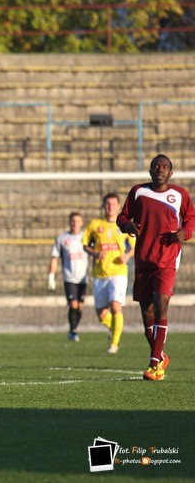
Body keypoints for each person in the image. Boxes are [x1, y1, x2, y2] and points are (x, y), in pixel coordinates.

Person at [117, 154, 195, 381]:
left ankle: (154, 364)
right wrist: (127, 225)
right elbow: (121, 218)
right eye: (155, 166)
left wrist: (185, 232)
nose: (160, 169)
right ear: (150, 171)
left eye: (164, 167)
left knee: (161, 306)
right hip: (143, 260)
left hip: (167, 260)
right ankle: (160, 356)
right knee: (147, 314)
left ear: (171, 173)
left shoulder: (180, 195)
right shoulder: (138, 192)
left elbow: (191, 219)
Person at [83, 193, 135, 355]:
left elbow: (135, 246)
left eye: (113, 204)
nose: (110, 207)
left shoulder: (124, 226)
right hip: (99, 273)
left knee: (115, 306)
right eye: (108, 204)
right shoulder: (95, 225)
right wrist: (95, 253)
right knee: (101, 313)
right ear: (103, 206)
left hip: (118, 273)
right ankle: (115, 328)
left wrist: (127, 255)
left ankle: (114, 344)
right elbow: (85, 245)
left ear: (119, 206)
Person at [48, 212, 88, 342]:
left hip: (83, 278)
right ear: (69, 222)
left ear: (82, 223)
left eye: (77, 221)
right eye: (72, 221)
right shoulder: (61, 238)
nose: (75, 223)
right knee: (73, 304)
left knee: (80, 306)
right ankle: (73, 331)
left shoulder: (86, 237)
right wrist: (51, 276)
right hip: (69, 277)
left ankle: (73, 328)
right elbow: (55, 257)